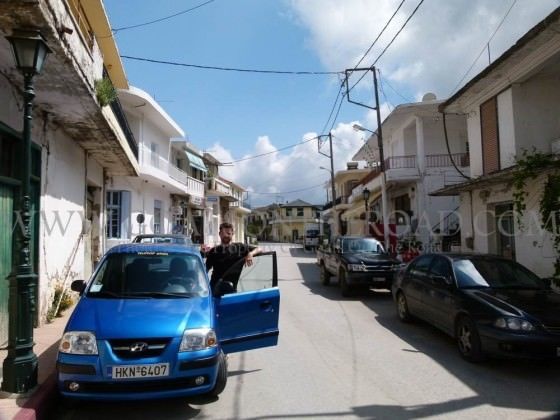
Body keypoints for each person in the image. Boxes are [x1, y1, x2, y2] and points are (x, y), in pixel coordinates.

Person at [205, 222, 261, 292]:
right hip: (214, 291)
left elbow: (259, 249)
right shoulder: (213, 251)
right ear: (219, 234)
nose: (226, 236)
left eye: (228, 233)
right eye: (223, 233)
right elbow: (205, 270)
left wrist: (250, 254)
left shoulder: (240, 248)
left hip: (232, 292)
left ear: (232, 234)